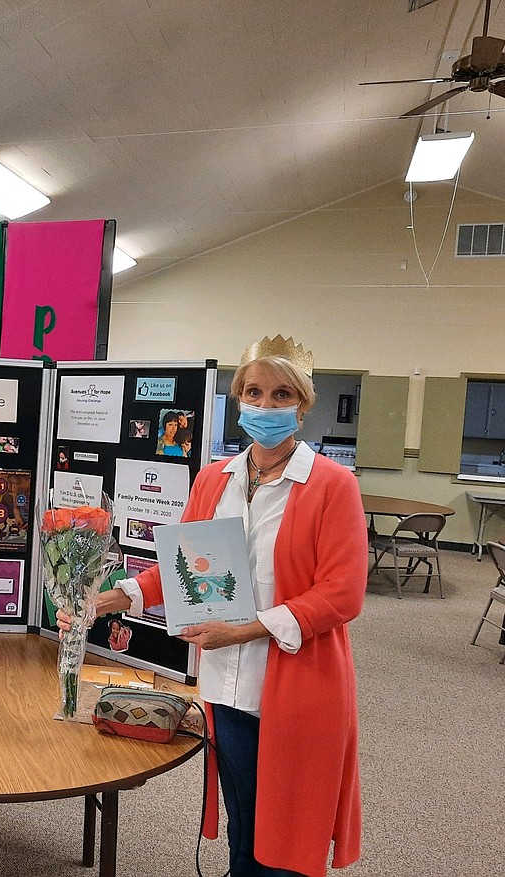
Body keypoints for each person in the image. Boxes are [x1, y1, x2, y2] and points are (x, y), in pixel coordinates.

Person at [59, 337, 366, 877]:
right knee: (245, 828)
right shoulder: (214, 479)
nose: (264, 406)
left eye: (279, 394)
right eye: (252, 391)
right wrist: (109, 598)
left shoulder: (332, 485)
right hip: (227, 687)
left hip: (297, 686)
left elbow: (342, 594)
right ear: (237, 398)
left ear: (302, 404)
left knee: (291, 832)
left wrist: (245, 630)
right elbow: (187, 570)